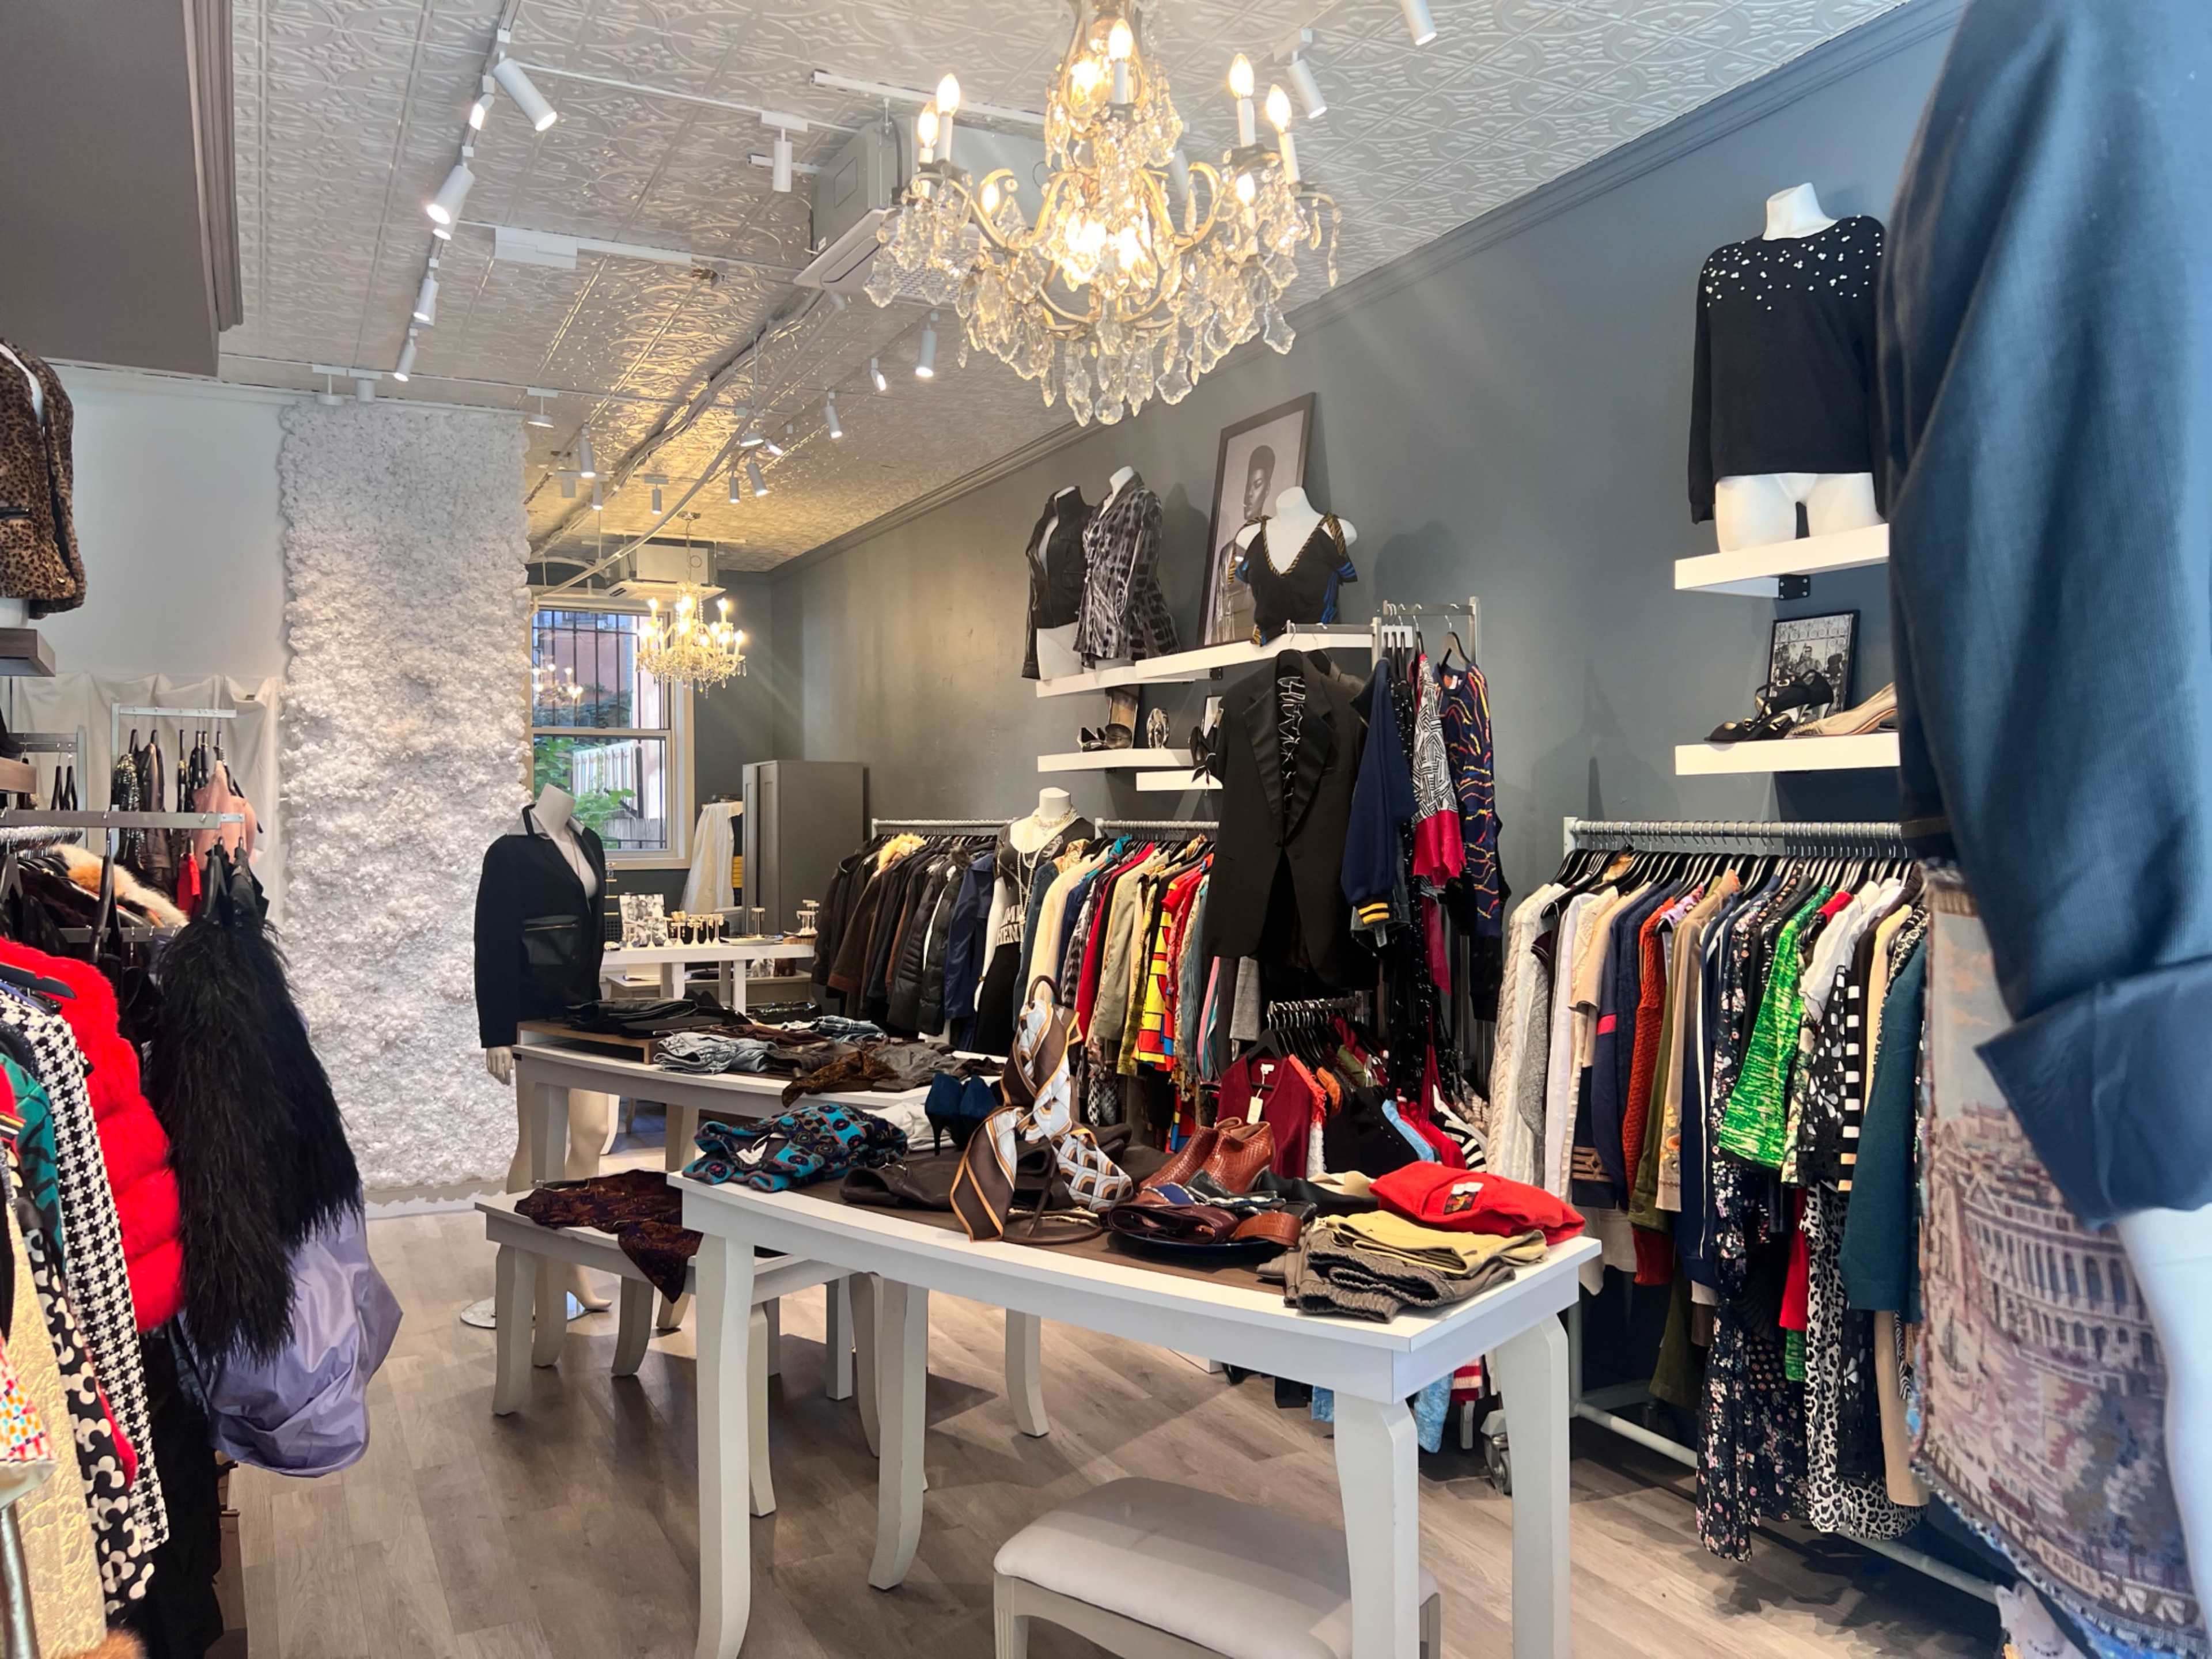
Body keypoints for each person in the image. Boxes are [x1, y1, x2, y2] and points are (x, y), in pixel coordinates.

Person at [1209, 443, 1276, 643]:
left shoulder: (1275, 545)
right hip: (1231, 647)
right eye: (1248, 486)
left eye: (1257, 485)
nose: (1250, 494)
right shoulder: (1228, 553)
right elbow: (1220, 615)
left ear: (1267, 490)